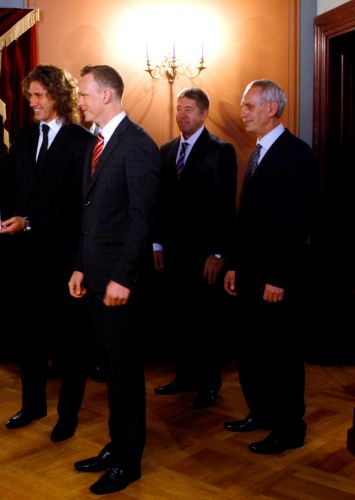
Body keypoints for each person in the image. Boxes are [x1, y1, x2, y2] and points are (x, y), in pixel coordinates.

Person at [0, 64, 94, 442]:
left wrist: (30, 221)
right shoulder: (25, 137)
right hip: (26, 260)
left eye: (39, 95)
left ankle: (67, 415)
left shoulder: (83, 142)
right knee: (31, 337)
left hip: (65, 261)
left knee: (69, 343)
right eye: (30, 96)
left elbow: (79, 205)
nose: (32, 102)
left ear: (58, 95)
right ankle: (32, 406)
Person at [68, 65, 160, 495]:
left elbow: (142, 219)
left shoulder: (138, 144)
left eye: (84, 94)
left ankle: (128, 462)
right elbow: (90, 216)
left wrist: (123, 277)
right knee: (109, 368)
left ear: (106, 95)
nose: (79, 101)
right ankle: (116, 445)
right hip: (95, 277)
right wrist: (80, 266)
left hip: (120, 284)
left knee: (124, 372)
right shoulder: (97, 141)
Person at [223, 80, 316, 454]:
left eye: (249, 105)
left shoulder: (296, 154)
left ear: (272, 108)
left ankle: (289, 428)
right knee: (252, 349)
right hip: (249, 273)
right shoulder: (258, 151)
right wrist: (234, 265)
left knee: (281, 355)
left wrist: (278, 277)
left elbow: (295, 222)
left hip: (275, 278)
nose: (243, 112)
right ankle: (261, 412)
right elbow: (247, 220)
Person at [152, 88, 237, 408]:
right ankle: (184, 377)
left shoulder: (221, 150)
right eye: (179, 108)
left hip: (205, 255)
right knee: (179, 317)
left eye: (189, 109)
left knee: (206, 321)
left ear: (204, 114)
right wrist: (157, 243)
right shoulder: (166, 150)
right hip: (173, 253)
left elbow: (226, 206)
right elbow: (159, 202)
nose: (182, 114)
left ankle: (209, 383)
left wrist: (219, 253)